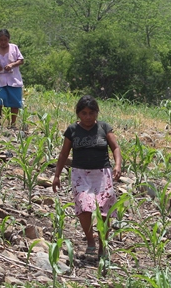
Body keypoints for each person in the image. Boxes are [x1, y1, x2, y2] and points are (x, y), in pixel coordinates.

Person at [52, 95, 122, 258]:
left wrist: (117, 165)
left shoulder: (104, 128)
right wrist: (57, 175)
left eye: (91, 113)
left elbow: (115, 148)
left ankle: (103, 245)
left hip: (102, 174)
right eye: (84, 113)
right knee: (84, 207)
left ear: (97, 113)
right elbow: (64, 154)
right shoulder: (72, 130)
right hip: (80, 174)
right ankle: (90, 240)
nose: (88, 117)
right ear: (78, 114)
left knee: (104, 211)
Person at [0, 29, 24, 128]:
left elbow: (21, 60)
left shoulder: (14, 48)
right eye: (1, 40)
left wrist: (12, 65)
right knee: (1, 99)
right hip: (0, 79)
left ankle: (13, 123)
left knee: (15, 102)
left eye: (5, 40)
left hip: (14, 79)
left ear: (9, 39)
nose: (3, 42)